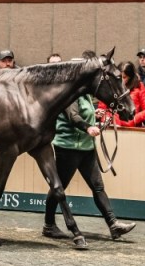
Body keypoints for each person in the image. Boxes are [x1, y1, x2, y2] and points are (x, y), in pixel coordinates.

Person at [42, 92, 136, 243]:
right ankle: (49, 225)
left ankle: (113, 224)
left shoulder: (85, 95)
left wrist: (94, 114)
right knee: (59, 188)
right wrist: (88, 128)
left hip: (86, 147)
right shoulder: (72, 94)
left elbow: (82, 114)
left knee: (98, 186)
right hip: (69, 148)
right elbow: (73, 117)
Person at [96, 61, 145, 127]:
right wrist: (106, 117)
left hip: (133, 128)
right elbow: (102, 108)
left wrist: (135, 119)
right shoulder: (110, 86)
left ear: (130, 77)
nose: (121, 80)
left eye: (124, 77)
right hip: (113, 126)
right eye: (119, 77)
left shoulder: (139, 86)